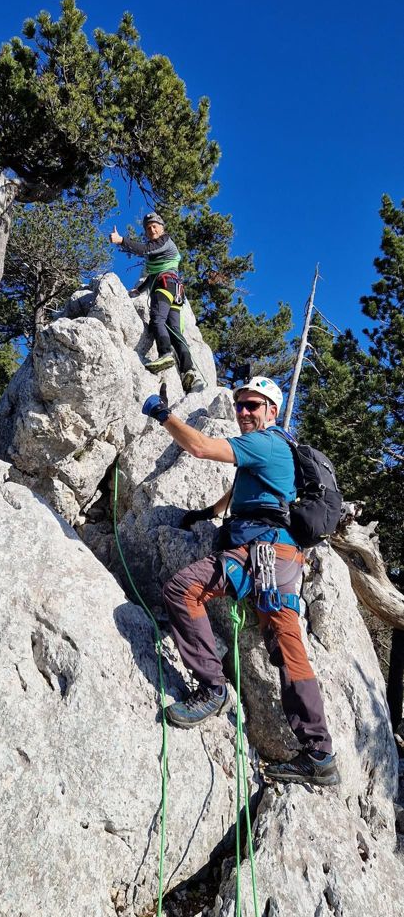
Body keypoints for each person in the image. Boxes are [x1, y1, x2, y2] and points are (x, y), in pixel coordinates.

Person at [141, 375, 339, 787]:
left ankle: (212, 688)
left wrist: (162, 414)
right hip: (281, 558)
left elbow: (199, 447)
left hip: (260, 552)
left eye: (253, 405)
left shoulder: (265, 442)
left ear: (272, 410)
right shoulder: (275, 446)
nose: (244, 411)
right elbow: (244, 489)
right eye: (240, 404)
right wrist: (209, 513)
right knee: (288, 646)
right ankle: (319, 753)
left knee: (183, 589)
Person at [110, 212, 202, 393]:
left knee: (157, 319)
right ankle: (189, 371)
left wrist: (121, 241)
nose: (152, 230)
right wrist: (140, 289)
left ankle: (165, 353)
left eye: (155, 226)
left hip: (165, 285)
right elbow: (153, 274)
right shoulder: (158, 253)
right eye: (148, 228)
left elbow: (145, 250)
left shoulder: (164, 241)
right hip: (175, 290)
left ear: (162, 228)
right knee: (175, 330)